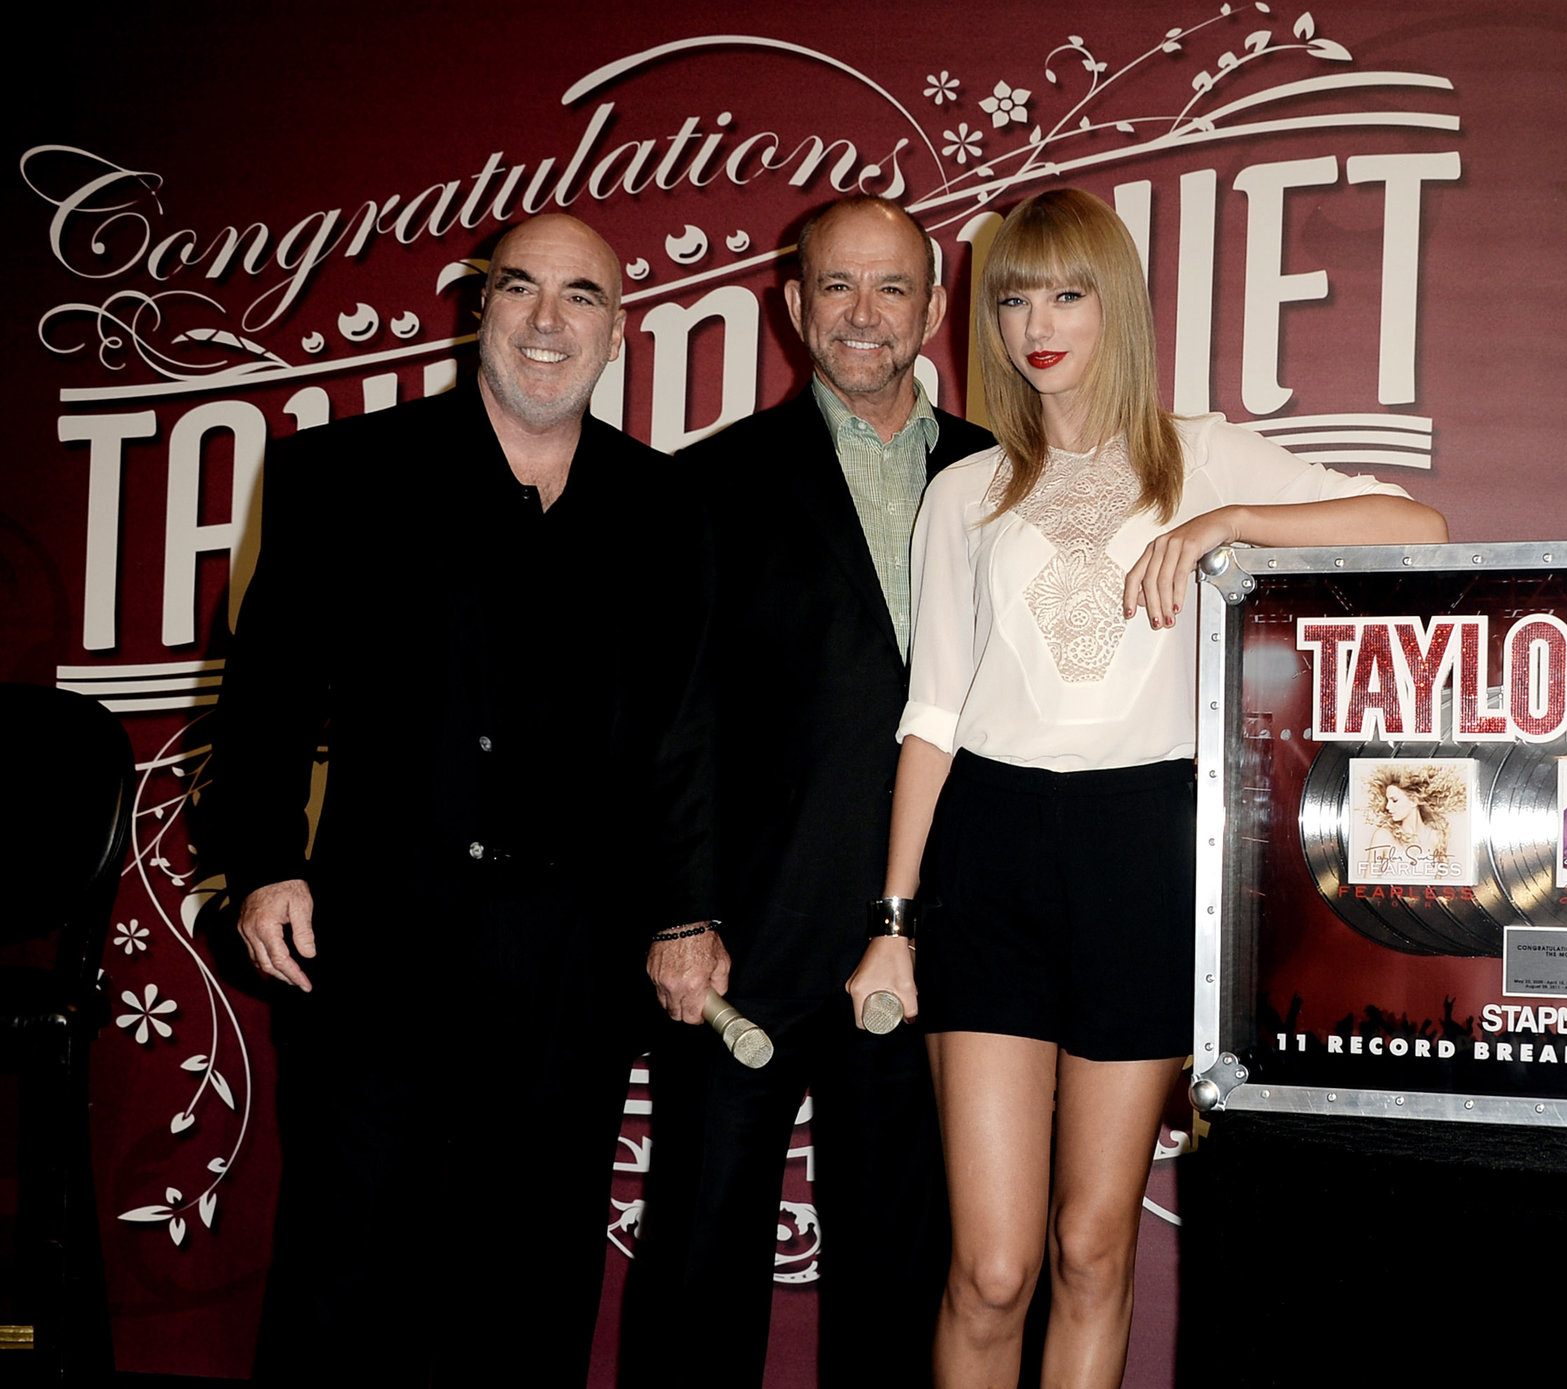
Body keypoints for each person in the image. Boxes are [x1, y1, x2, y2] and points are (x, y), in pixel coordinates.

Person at [845, 188, 1448, 1387]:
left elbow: (1417, 523)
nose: (1036, 324)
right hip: (990, 858)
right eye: (1012, 298)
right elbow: (934, 717)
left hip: (1149, 853)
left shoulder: (1201, 450)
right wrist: (893, 924)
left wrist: (1230, 519)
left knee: (1088, 1246)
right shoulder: (963, 492)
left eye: (1066, 293)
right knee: (992, 1268)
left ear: (1115, 303)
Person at [207, 213, 715, 1385]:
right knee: (349, 1266)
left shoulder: (663, 508)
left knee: (533, 1280)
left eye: (580, 297)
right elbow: (267, 695)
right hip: (377, 938)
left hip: (570, 965)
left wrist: (686, 912)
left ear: (618, 331)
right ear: (479, 310)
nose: (548, 322)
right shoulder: (344, 473)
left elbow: (685, 732)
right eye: (521, 290)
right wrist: (265, 861)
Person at [624, 195, 992, 1388]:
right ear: (794, 307)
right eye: (837, 287)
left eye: (893, 288)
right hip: (747, 934)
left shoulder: (1005, 479)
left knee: (901, 1262)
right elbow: (671, 722)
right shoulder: (709, 486)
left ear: (935, 309)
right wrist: (680, 916)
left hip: (935, 938)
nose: (864, 315)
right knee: (696, 1254)